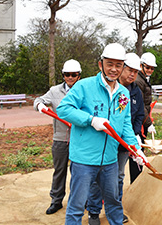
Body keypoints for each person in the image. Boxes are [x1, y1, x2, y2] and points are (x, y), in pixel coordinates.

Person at [56, 43, 148, 225]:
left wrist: (136, 150)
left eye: (118, 65)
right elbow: (63, 109)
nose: (113, 69)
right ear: (101, 64)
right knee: (76, 205)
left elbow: (125, 125)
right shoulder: (84, 86)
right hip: (83, 160)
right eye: (109, 64)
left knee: (114, 202)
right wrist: (90, 119)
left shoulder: (123, 94)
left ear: (122, 67)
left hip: (109, 161)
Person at [86, 53, 145, 224]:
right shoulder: (106, 88)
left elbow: (137, 116)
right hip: (104, 142)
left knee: (118, 178)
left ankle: (115, 211)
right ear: (121, 68)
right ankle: (94, 211)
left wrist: (134, 138)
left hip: (124, 145)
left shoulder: (135, 93)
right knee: (97, 178)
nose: (132, 75)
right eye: (129, 70)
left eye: (136, 72)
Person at [34, 59, 82, 215]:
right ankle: (56, 201)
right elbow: (39, 100)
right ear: (63, 75)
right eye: (67, 74)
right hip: (61, 138)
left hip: (80, 138)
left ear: (79, 76)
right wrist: (40, 105)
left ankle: (80, 201)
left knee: (80, 172)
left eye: (73, 75)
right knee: (59, 171)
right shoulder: (55, 91)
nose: (70, 78)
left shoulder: (84, 90)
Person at [135, 52, 157, 139]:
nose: (150, 70)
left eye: (152, 68)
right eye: (147, 67)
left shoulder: (145, 79)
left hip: (143, 119)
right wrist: (148, 123)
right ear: (141, 65)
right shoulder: (138, 81)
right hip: (139, 120)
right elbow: (141, 105)